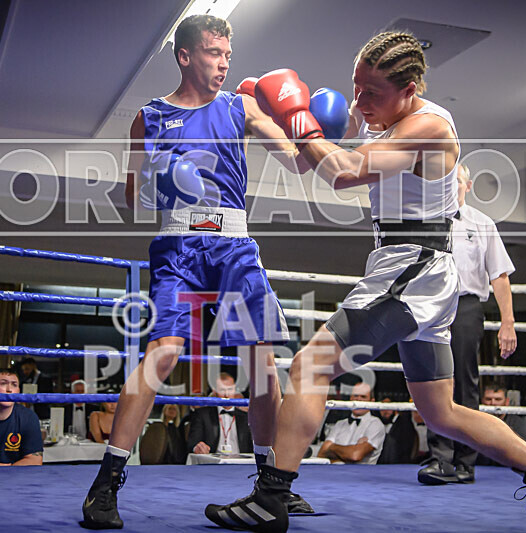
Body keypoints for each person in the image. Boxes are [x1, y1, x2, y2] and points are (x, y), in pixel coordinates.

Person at [204, 31, 526, 533]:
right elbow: (304, 159)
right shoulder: (376, 117)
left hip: (414, 269)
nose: (359, 101)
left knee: (309, 366)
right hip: (416, 274)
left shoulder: (428, 127)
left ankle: (271, 497)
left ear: (409, 88)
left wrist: (301, 118)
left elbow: (344, 172)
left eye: (371, 92)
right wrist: (263, 115)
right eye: (356, 88)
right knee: (441, 413)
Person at [81, 14, 312, 529]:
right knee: (162, 353)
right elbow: (129, 196)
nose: (223, 63)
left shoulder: (241, 106)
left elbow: (296, 160)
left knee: (260, 362)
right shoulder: (149, 117)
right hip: (178, 247)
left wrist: (304, 121)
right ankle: (106, 484)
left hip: (233, 245)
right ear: (185, 56)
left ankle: (270, 483)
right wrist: (162, 177)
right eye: (213, 53)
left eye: (228, 54)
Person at [418, 162, 518, 485]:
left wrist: (508, 322)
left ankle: (465, 463)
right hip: (433, 306)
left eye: (456, 180)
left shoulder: (482, 223)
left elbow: (499, 276)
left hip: (466, 305)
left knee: (464, 380)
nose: (450, 185)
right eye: (445, 180)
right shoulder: (425, 221)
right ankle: (439, 459)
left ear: (468, 185)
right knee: (435, 380)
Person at [318, 381, 385, 464]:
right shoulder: (340, 424)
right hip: (334, 473)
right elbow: (321, 454)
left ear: (372, 401)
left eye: (363, 397)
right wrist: (351, 449)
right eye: (355, 396)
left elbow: (355, 455)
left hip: (361, 475)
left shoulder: (375, 424)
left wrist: (331, 447)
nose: (358, 399)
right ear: (350, 398)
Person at [187, 373, 253, 455]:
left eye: (230, 389)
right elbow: (192, 443)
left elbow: (253, 445)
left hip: (242, 464)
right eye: (222, 390)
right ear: (215, 391)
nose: (226, 395)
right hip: (212, 464)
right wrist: (197, 448)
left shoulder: (246, 417)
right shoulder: (202, 414)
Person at [476, 383, 526, 466]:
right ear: (482, 401)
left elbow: (524, 455)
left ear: (506, 402)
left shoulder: (518, 424)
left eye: (498, 399)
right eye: (488, 399)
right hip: (481, 469)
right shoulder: (475, 422)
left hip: (509, 472)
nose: (493, 403)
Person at [376, 396, 417, 464]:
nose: (385, 411)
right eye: (382, 408)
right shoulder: (377, 423)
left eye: (388, 407)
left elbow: (406, 449)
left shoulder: (405, 424)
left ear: (395, 408)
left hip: (398, 464)